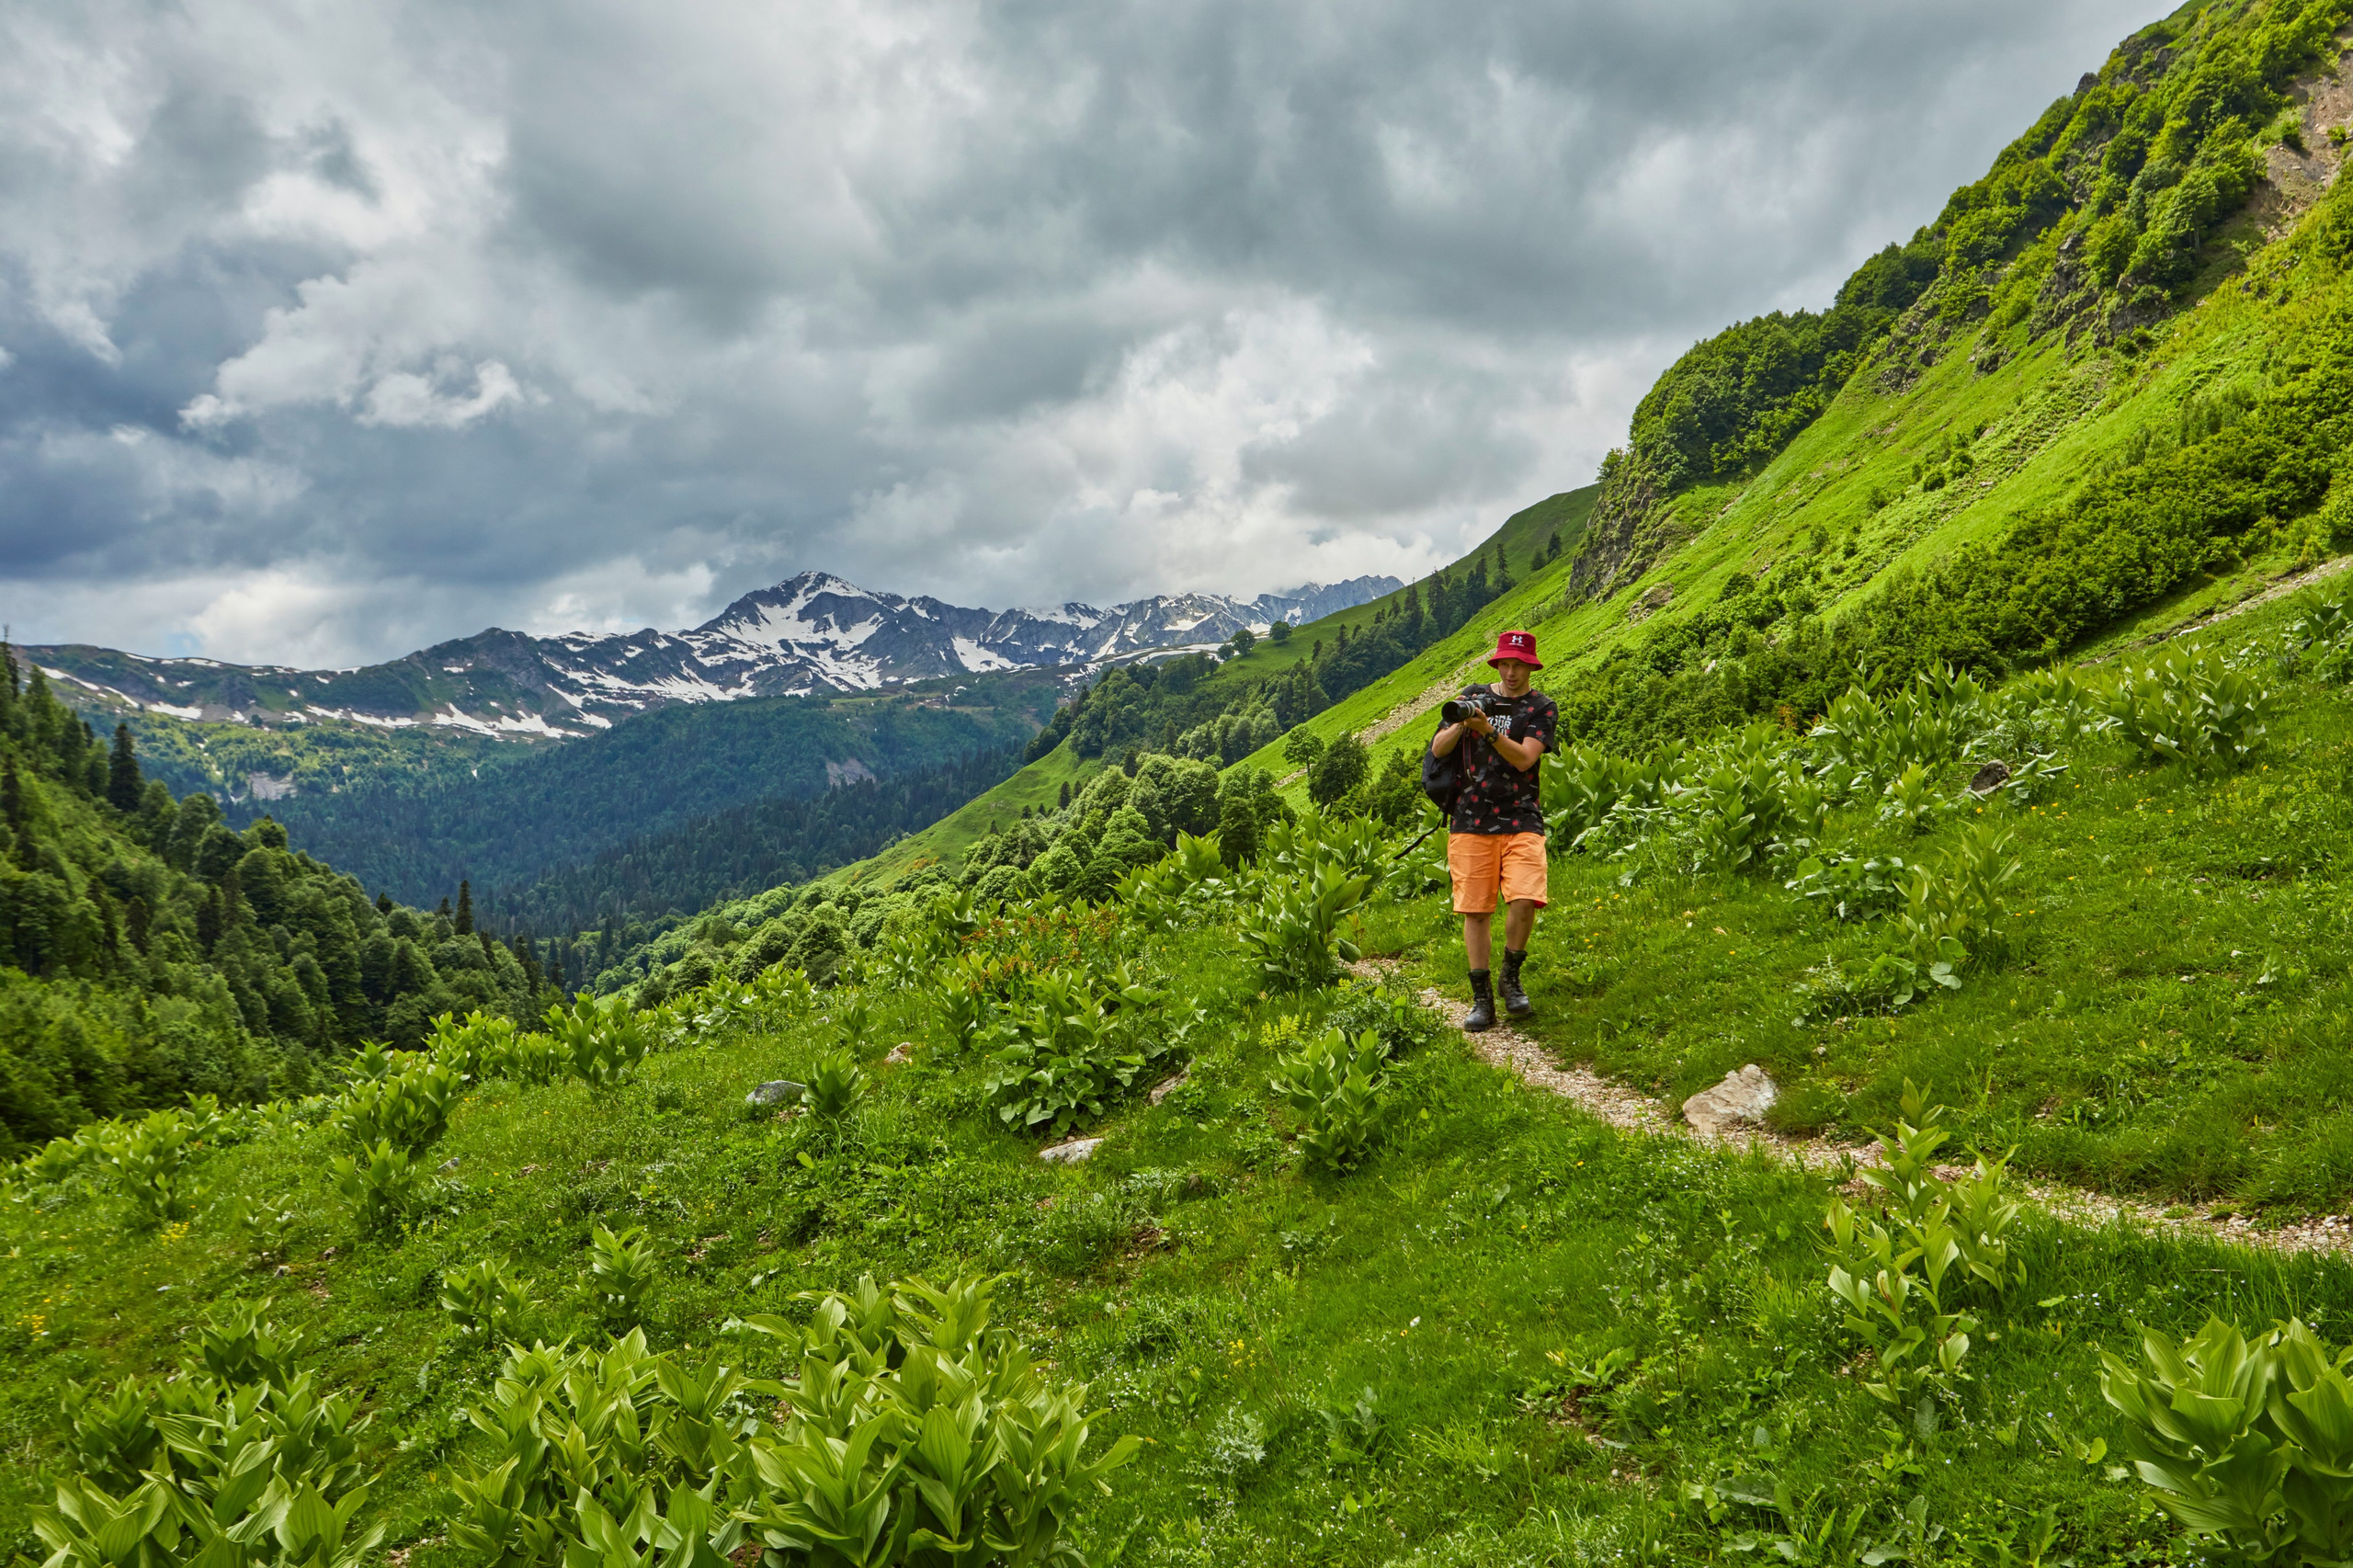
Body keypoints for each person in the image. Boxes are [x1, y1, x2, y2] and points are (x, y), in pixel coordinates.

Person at [1428, 630, 1555, 1030]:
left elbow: (1524, 760)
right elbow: (1438, 750)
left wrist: (1487, 730)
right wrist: (1462, 721)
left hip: (1522, 815)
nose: (1511, 671)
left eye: (1519, 664)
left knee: (1525, 896)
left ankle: (1510, 976)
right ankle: (1481, 997)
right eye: (1505, 663)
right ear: (1497, 664)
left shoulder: (1541, 708)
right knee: (1476, 909)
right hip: (1470, 817)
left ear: (1531, 666)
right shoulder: (1473, 695)